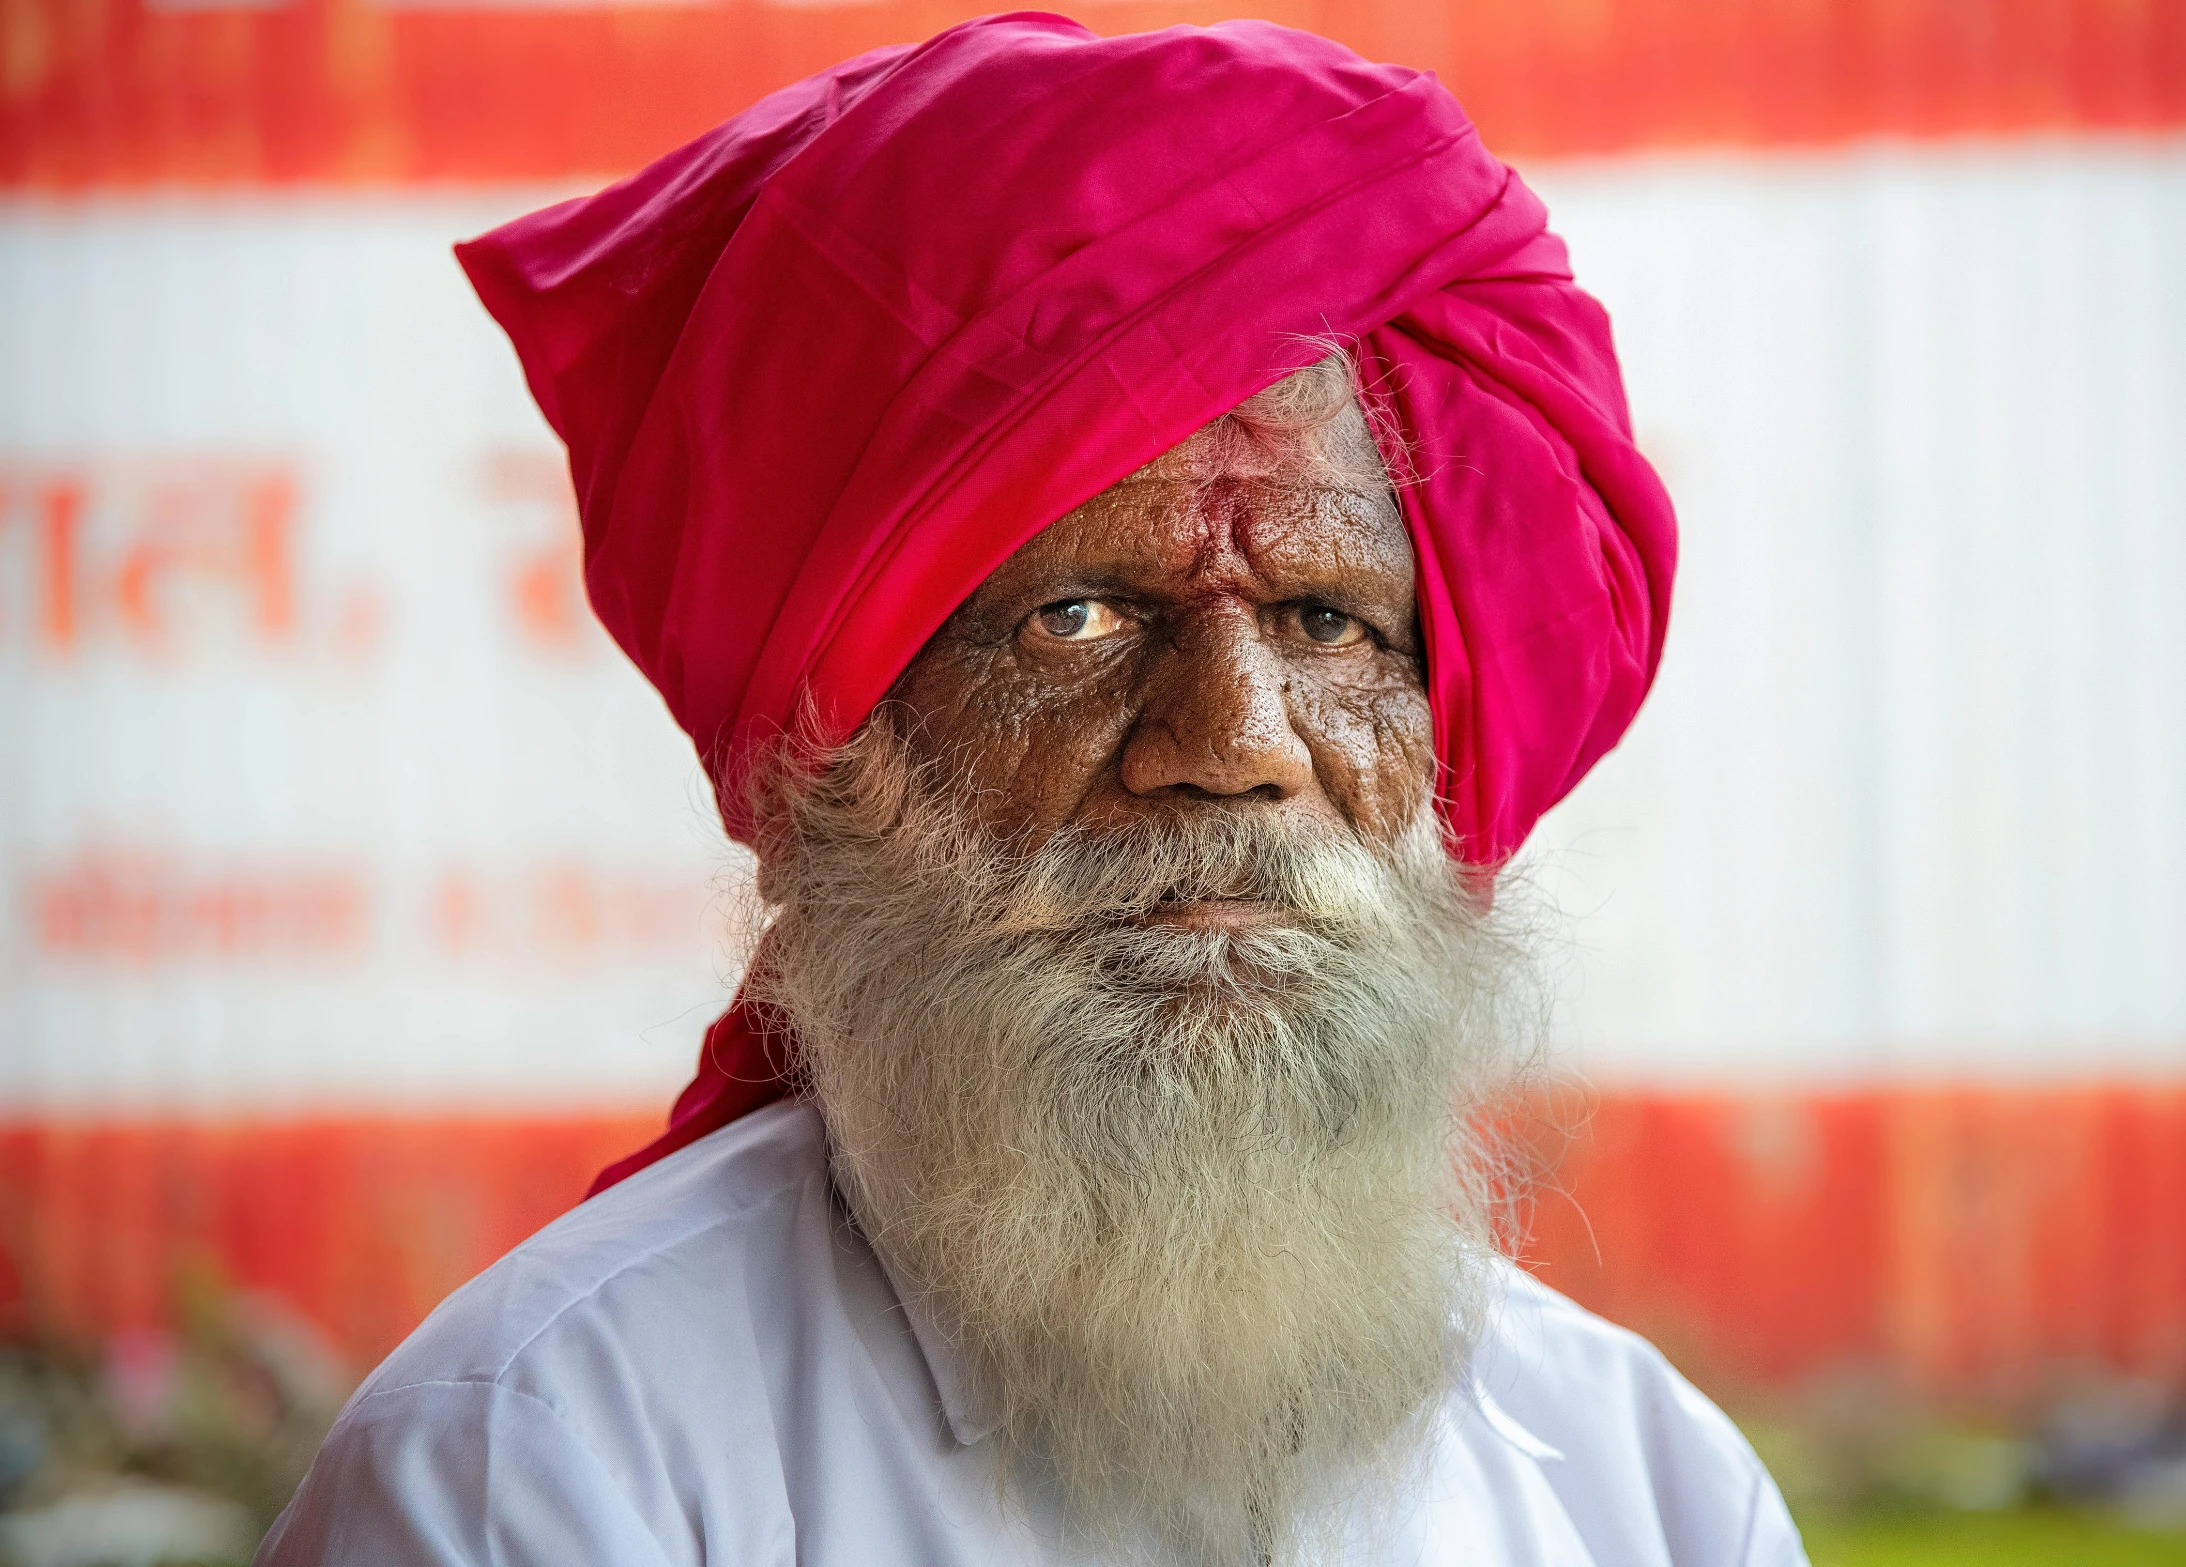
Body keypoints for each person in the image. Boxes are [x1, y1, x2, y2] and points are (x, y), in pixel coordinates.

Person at [259, 15, 1806, 1566]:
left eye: (1325, 621)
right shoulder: (543, 1464)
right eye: (1076, 618)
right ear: (846, 754)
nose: (1230, 736)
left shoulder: (1643, 1490)